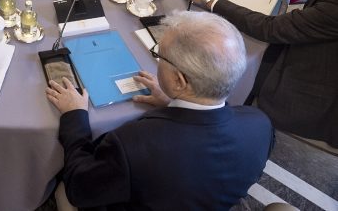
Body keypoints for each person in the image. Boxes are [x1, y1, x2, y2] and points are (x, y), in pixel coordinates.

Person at [47, 11, 273, 209]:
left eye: (160, 55)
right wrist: (170, 101)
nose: (157, 60)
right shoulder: (260, 124)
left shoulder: (132, 144)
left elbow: (79, 186)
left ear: (179, 80)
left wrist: (74, 117)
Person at [178, 0, 338, 148]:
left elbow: (269, 29)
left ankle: (224, 143)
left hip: (308, 89)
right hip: (308, 54)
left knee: (219, 72)